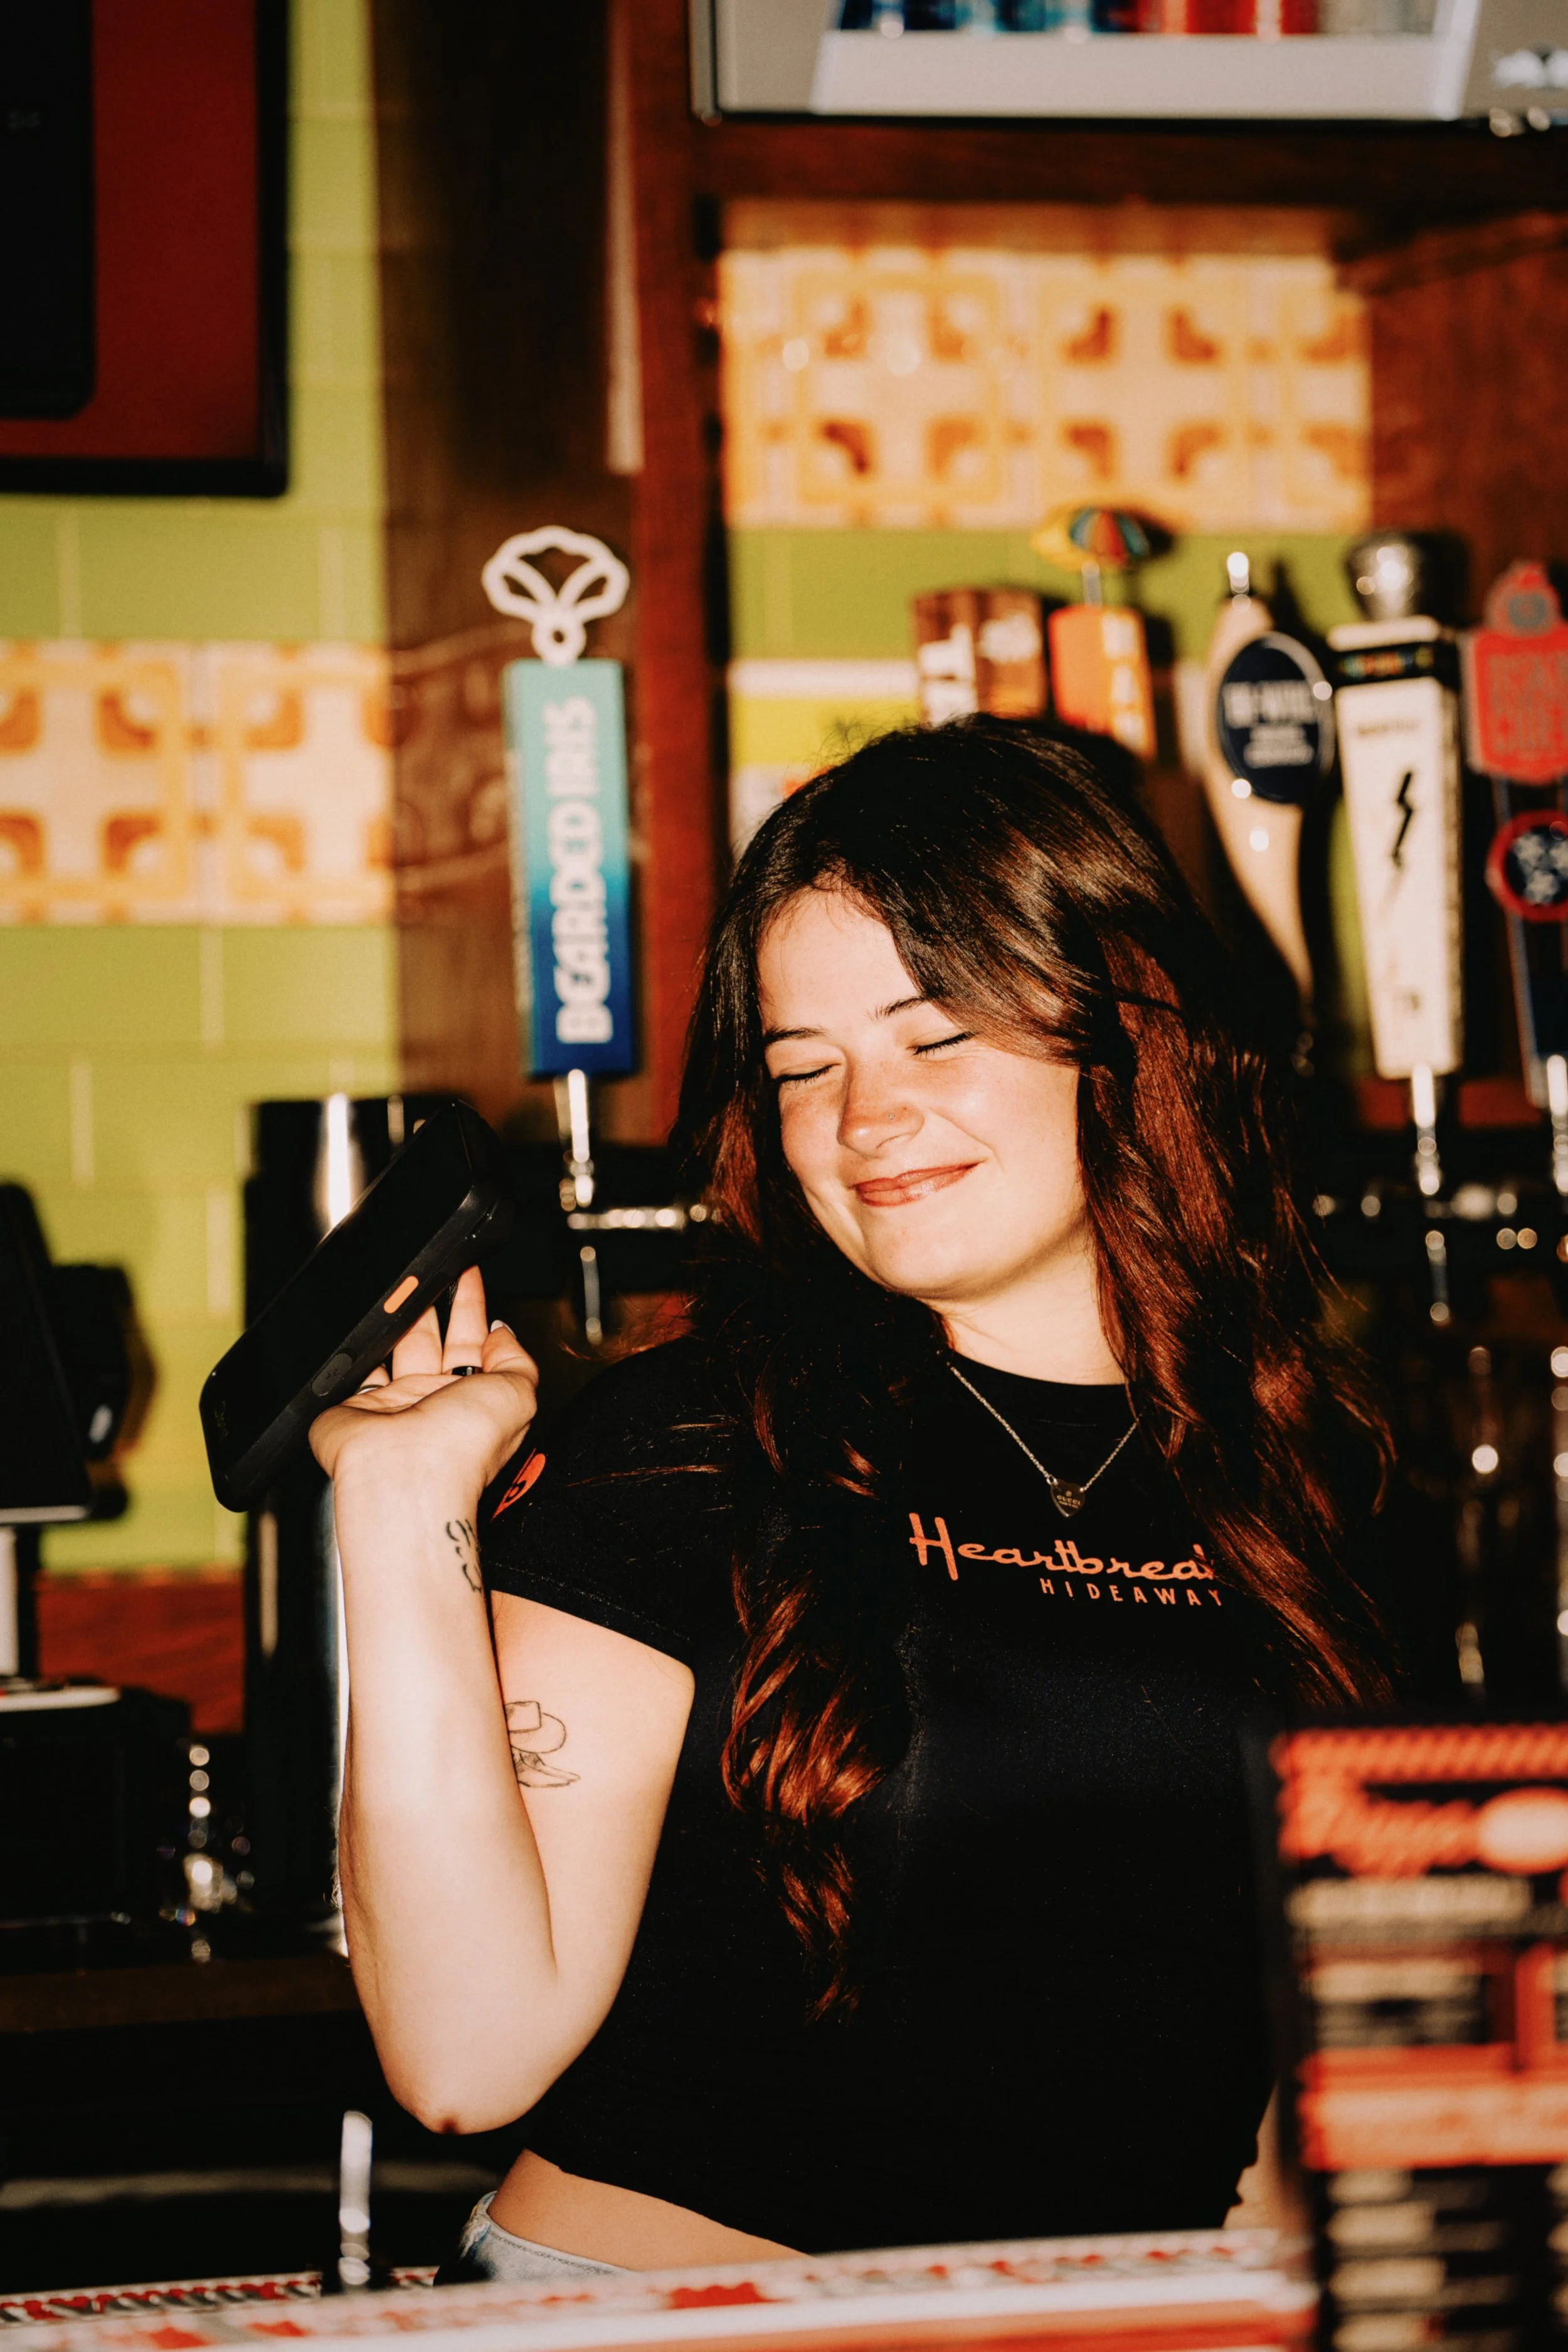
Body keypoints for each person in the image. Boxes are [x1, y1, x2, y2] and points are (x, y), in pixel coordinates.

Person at [311, 718, 1392, 2282]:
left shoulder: (1302, 1479)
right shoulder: (694, 1443)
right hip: (663, 2321)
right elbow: (463, 2057)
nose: (861, 1120)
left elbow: (1298, 2088)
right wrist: (400, 1502)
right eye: (802, 1067)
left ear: (1127, 1030)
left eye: (932, 1037)